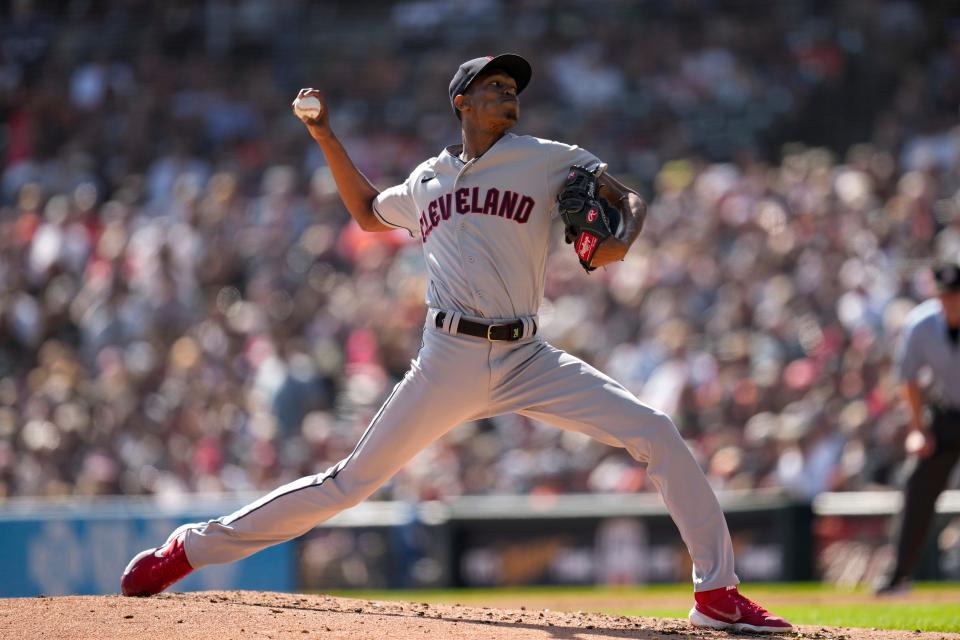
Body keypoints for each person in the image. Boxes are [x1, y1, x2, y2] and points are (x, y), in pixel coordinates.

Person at [120, 54, 791, 633]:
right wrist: (325, 134)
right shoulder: (426, 180)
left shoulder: (550, 159)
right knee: (347, 484)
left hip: (529, 356)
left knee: (655, 429)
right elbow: (363, 212)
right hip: (448, 358)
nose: (510, 97)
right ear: (462, 102)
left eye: (514, 89)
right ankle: (188, 550)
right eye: (496, 88)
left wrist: (624, 235)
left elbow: (629, 196)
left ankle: (717, 595)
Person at [875, 259, 960, 595]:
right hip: (946, 415)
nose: (951, 301)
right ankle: (899, 577)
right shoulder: (921, 323)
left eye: (956, 294)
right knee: (917, 484)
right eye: (945, 295)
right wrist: (917, 427)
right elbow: (908, 379)